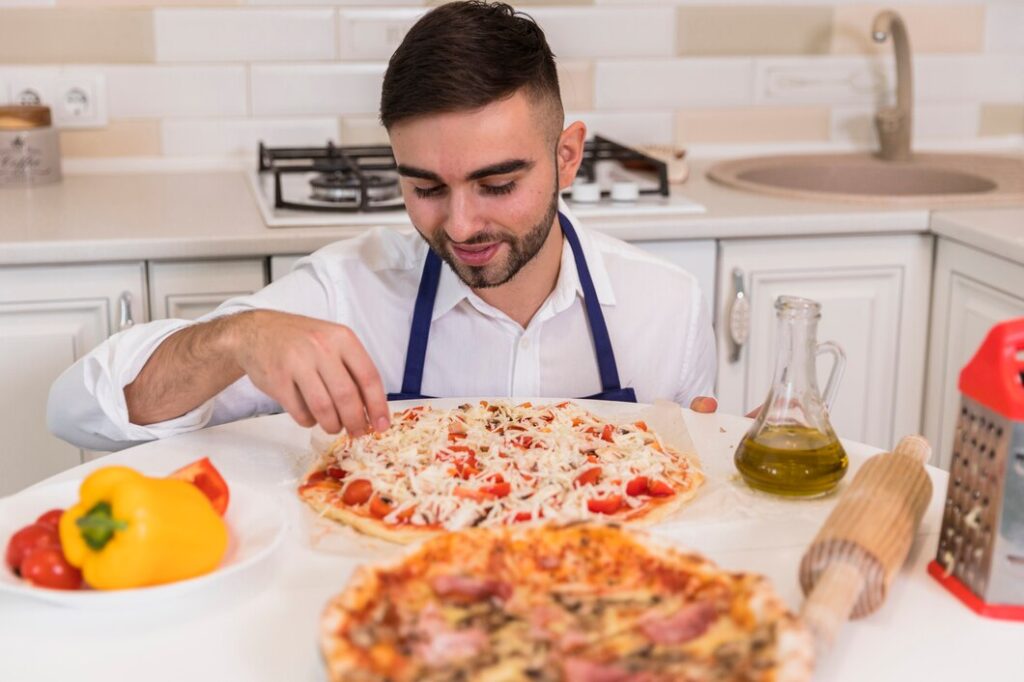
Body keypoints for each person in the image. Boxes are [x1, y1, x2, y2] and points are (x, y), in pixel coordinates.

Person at [47, 1, 717, 452]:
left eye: (498, 184)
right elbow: (77, 410)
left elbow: (710, 486)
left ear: (566, 156)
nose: (460, 224)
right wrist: (233, 339)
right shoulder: (345, 294)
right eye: (425, 187)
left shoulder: (668, 307)